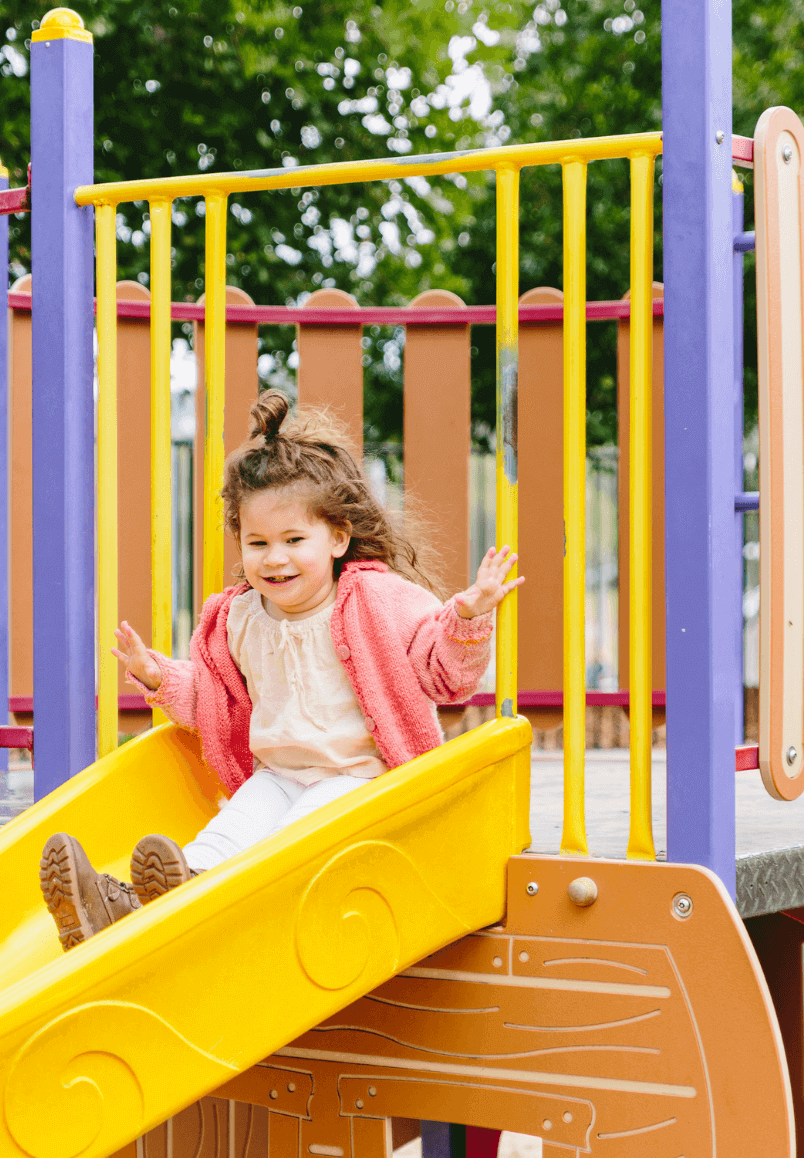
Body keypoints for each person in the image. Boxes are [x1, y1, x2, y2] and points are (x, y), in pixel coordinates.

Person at [39, 389, 523, 951]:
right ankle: (139, 904)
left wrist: (467, 618)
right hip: (276, 776)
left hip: (360, 781)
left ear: (338, 537)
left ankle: (186, 910)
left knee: (294, 837)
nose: (275, 558)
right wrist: (157, 676)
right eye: (258, 542)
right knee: (227, 834)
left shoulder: (376, 599)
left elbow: (446, 677)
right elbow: (216, 703)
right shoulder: (238, 617)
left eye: (295, 540)